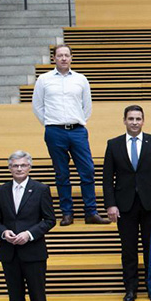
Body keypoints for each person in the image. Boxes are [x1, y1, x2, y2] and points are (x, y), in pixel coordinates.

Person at [31, 44, 108, 226]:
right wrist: (50, 123)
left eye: (66, 55)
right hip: (54, 131)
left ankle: (91, 212)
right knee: (62, 173)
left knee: (87, 171)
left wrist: (78, 120)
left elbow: (86, 106)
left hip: (78, 131)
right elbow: (37, 106)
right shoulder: (44, 79)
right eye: (60, 55)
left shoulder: (81, 79)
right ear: (54, 58)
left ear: (71, 58)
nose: (63, 58)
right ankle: (67, 213)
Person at [102, 105, 151, 301]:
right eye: (131, 118)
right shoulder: (113, 144)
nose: (134, 122)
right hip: (124, 206)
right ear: (124, 120)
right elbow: (107, 178)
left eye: (138, 119)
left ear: (143, 120)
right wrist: (110, 205)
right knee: (129, 249)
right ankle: (130, 288)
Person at [0, 151, 56, 301]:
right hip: (9, 252)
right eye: (15, 166)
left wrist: (29, 234)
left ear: (30, 167)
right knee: (15, 297)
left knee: (37, 296)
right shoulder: (1, 191)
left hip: (33, 252)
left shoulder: (41, 189)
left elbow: (49, 219)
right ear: (9, 168)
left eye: (23, 165)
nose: (19, 169)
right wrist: (4, 232)